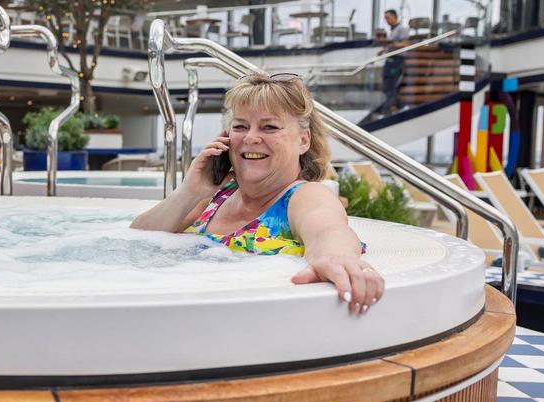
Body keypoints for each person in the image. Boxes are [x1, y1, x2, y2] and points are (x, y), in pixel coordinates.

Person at [130, 73, 383, 315]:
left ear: (303, 141)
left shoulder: (304, 196)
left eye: (269, 127)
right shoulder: (214, 198)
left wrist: (336, 259)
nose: (251, 138)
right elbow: (138, 240)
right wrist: (189, 191)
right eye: (240, 126)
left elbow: (327, 229)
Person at [360, 9, 411, 124]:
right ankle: (392, 108)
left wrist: (390, 44)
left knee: (390, 86)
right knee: (386, 85)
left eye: (387, 17)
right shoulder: (393, 31)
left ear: (394, 17)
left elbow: (405, 43)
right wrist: (384, 50)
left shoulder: (401, 29)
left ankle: (392, 109)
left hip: (396, 61)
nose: (386, 20)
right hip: (390, 60)